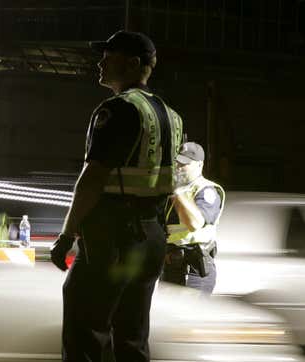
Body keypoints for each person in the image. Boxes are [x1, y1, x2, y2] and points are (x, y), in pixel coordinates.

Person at [49, 30, 183, 362]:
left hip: (114, 236)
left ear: (133, 63)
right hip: (151, 235)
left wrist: (66, 235)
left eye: (110, 55)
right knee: (132, 334)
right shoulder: (170, 115)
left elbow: (92, 178)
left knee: (86, 329)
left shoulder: (119, 109)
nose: (101, 61)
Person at [162, 142, 225, 294]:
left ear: (199, 165)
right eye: (177, 163)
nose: (178, 168)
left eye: (184, 164)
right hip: (171, 267)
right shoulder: (173, 191)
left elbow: (195, 223)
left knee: (187, 315)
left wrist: (177, 190)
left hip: (194, 270)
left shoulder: (207, 190)